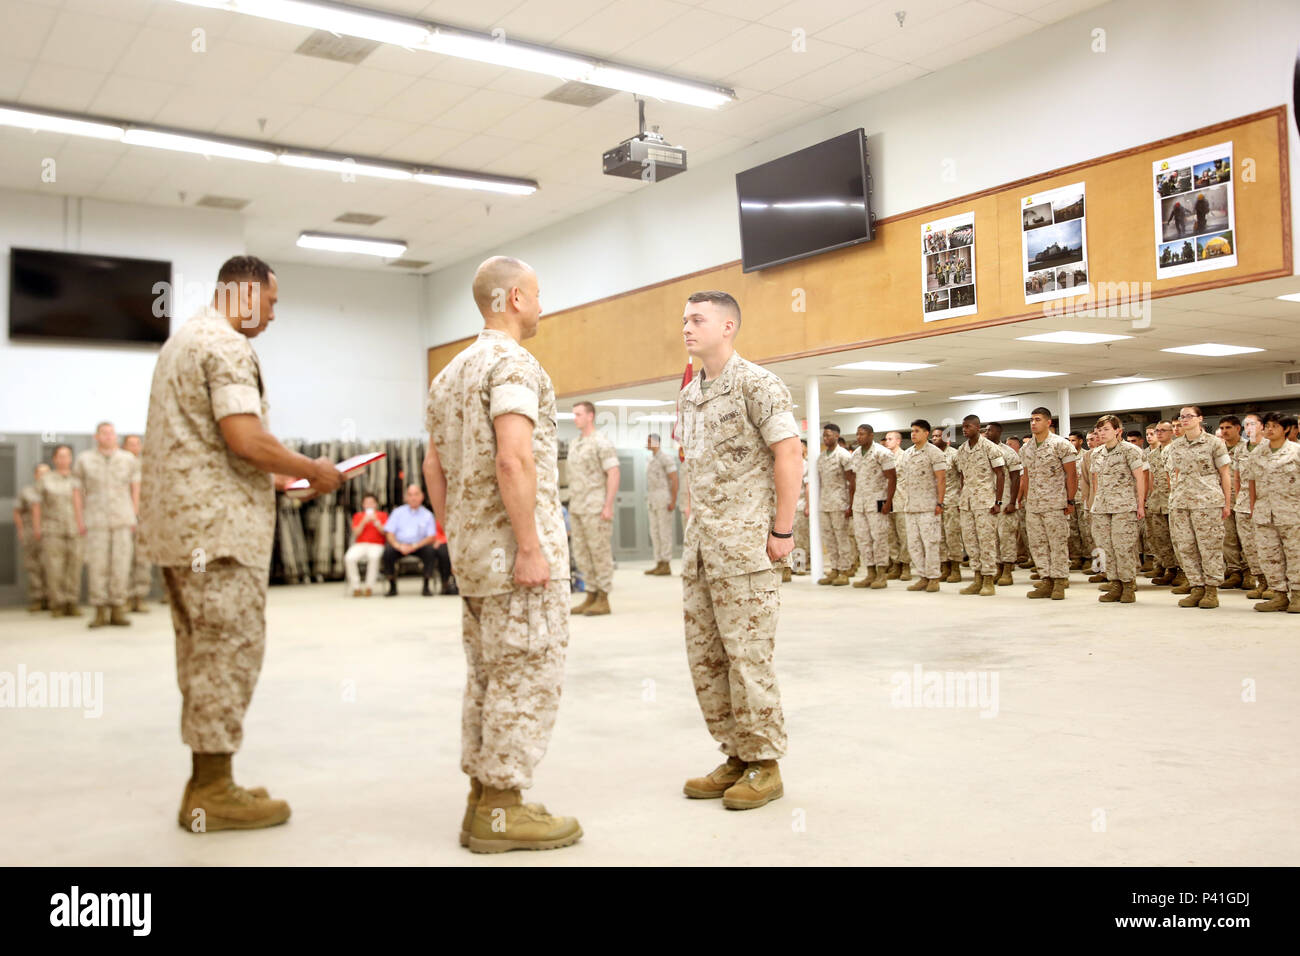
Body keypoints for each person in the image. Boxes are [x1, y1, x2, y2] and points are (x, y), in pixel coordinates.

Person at [140, 254, 341, 832]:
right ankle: (211, 791)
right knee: (227, 656)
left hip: (184, 531)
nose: (274, 315)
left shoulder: (183, 341)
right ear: (246, 293)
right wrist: (311, 467)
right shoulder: (227, 345)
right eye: (272, 302)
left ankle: (209, 778)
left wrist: (279, 477)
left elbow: (211, 442)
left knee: (202, 656)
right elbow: (244, 436)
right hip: (219, 536)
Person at [424, 254, 580, 852]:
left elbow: (433, 466)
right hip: (515, 557)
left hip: (472, 556)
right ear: (514, 298)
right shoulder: (513, 364)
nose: (542, 304)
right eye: (537, 294)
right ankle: (504, 807)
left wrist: (455, 534)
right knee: (526, 673)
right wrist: (531, 546)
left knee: (488, 675)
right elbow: (513, 457)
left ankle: (481, 799)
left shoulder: (449, 373)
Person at [677, 290, 799, 812]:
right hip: (703, 550)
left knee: (748, 659)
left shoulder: (758, 383)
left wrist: (783, 530)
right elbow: (696, 468)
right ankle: (735, 754)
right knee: (708, 659)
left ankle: (765, 764)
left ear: (728, 327)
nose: (686, 327)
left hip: (747, 549)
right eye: (684, 319)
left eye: (697, 319)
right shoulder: (690, 395)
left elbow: (789, 454)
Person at [1166, 405, 1232, 609]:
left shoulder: (1214, 443)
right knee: (1186, 547)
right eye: (1181, 417)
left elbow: (1225, 474)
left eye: (1189, 416)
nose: (1184, 420)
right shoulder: (1176, 446)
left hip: (1207, 503)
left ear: (1200, 419)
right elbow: (1175, 474)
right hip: (1181, 502)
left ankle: (1211, 590)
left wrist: (1227, 503)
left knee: (1209, 547)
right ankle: (1196, 587)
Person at [74, 422, 140, 628]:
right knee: (97, 565)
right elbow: (77, 491)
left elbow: (135, 487)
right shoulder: (84, 460)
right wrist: (79, 519)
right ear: (96, 436)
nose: (108, 436)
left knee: (121, 565)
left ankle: (118, 608)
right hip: (96, 519)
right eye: (104, 433)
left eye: (112, 433)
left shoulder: (128, 459)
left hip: (122, 518)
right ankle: (100, 609)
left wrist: (134, 514)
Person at [1018, 407, 1078, 600]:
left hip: (1055, 503)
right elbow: (1025, 477)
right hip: (1034, 505)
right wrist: (1026, 500)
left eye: (1037, 419)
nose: (1033, 423)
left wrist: (1070, 499)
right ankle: (1046, 580)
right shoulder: (1026, 448)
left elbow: (1071, 475)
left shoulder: (1061, 445)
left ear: (1048, 422)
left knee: (1057, 543)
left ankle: (1060, 581)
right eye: (1031, 420)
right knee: (1037, 544)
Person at [568, 400, 620, 616]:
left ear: (590, 416)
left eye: (578, 414)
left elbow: (614, 473)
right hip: (578, 506)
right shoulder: (575, 443)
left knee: (599, 553)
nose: (575, 418)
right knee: (581, 553)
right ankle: (590, 593)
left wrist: (608, 505)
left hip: (596, 507)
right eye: (574, 414)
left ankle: (603, 597)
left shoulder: (601, 442)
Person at [1088, 415, 1145, 604]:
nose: (1101, 434)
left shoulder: (1130, 451)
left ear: (1117, 431)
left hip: (1124, 506)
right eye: (1099, 431)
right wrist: (1094, 504)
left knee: (1123, 548)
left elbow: (1140, 478)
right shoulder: (1097, 453)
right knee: (1106, 548)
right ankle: (1115, 584)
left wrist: (1140, 505)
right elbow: (1097, 481)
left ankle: (1128, 585)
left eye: (1105, 429)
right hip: (1102, 507)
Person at [1247, 411, 1300, 612]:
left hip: (1292, 513)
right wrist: (1253, 509)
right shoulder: (1258, 453)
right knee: (1269, 555)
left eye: (1275, 426)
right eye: (1267, 425)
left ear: (1286, 429)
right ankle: (1278, 594)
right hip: (1264, 513)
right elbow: (1251, 482)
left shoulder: (1295, 452)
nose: (1270, 429)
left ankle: (1297, 594)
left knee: (1296, 555)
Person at [954, 415, 1005, 597]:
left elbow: (1000, 474)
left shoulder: (990, 448)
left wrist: (998, 501)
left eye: (968, 426)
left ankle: (989, 579)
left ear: (977, 427)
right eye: (963, 427)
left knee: (986, 541)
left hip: (985, 501)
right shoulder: (961, 449)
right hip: (967, 502)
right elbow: (962, 475)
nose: (964, 430)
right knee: (970, 541)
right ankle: (977, 579)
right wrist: (961, 496)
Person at [896, 419, 947, 593]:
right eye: (912, 431)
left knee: (931, 543)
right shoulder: (908, 453)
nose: (913, 434)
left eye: (917, 431)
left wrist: (940, 502)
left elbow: (941, 479)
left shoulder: (934, 453)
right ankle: (922, 576)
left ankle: (933, 578)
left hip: (928, 506)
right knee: (914, 544)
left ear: (926, 433)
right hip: (911, 507)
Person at [33, 445, 84, 618]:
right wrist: (37, 527)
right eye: (60, 456)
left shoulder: (77, 480)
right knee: (55, 568)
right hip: (52, 530)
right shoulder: (46, 479)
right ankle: (57, 604)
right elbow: (37, 504)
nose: (64, 459)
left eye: (67, 456)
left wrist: (81, 525)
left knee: (74, 567)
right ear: (54, 459)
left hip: (74, 529)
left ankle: (72, 602)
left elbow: (81, 504)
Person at [848, 424, 896, 588]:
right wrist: (851, 502)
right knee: (862, 538)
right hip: (860, 503)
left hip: (878, 501)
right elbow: (853, 481)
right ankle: (870, 573)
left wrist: (889, 502)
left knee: (879, 538)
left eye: (862, 434)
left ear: (871, 435)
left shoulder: (882, 453)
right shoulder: (855, 454)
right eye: (857, 434)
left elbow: (892, 478)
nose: (858, 437)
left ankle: (881, 574)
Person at [381, 484, 449, 597]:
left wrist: (415, 546)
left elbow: (431, 536)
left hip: (419, 545)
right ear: (406, 497)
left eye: (416, 494)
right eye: (410, 495)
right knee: (388, 551)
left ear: (422, 496)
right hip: (400, 545)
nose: (413, 498)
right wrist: (398, 546)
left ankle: (426, 585)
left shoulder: (427, 515)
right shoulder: (397, 512)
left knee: (430, 551)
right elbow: (389, 533)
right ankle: (392, 585)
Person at [984, 422, 1022, 586]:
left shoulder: (1008, 452)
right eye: (985, 430)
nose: (987, 432)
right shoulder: (982, 451)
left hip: (1006, 499)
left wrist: (1013, 501)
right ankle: (997, 568)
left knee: (1006, 535)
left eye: (990, 430)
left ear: (999, 432)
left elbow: (1016, 478)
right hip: (987, 500)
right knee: (992, 538)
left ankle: (1007, 570)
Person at [816, 423, 854, 585]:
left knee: (841, 537)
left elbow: (852, 481)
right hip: (825, 503)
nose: (825, 438)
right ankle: (835, 569)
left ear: (837, 436)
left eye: (829, 435)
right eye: (824, 436)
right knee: (829, 538)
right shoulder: (822, 457)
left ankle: (845, 570)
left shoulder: (843, 455)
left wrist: (850, 505)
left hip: (840, 503)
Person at [121, 433, 153, 612]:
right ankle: (124, 597)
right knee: (124, 558)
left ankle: (139, 596)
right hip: (123, 516)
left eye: (137, 444)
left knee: (143, 559)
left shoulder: (148, 464)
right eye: (130, 444)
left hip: (145, 517)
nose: (134, 447)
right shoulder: (120, 464)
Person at [1145, 421, 1179, 584]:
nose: (1159, 433)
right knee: (1161, 538)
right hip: (1157, 501)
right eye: (1157, 431)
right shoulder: (1152, 455)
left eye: (1163, 430)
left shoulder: (1177, 450)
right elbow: (1151, 479)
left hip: (1173, 500)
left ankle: (1183, 571)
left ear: (1172, 431)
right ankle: (1170, 568)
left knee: (1178, 538)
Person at [1236, 413, 1265, 596]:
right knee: (1249, 546)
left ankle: (1275, 584)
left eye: (1253, 424)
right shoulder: (1241, 449)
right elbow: (1237, 477)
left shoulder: (1269, 447)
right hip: (1243, 504)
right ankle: (1260, 581)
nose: (1249, 428)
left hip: (1265, 503)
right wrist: (1240, 498)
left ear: (1262, 426)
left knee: (1267, 546)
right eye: (1246, 425)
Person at [14, 463, 50, 612]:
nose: (43, 476)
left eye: (46, 473)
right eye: (40, 473)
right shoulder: (27, 491)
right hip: (31, 533)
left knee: (51, 566)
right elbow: (17, 511)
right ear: (35, 475)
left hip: (51, 532)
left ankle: (51, 598)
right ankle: (37, 598)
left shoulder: (54, 491)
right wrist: (21, 530)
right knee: (33, 566)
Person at [1217, 415, 1247, 588]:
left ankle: (1249, 572)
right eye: (1222, 428)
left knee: (1246, 538)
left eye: (1228, 427)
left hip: (1244, 500)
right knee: (1228, 538)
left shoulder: (1247, 448)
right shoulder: (1218, 449)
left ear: (1238, 428)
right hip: (1224, 499)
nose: (1224, 431)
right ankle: (1234, 571)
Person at [643, 433, 679, 576]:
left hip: (664, 497)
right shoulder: (650, 459)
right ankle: (658, 562)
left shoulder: (666, 458)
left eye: (649, 441)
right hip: (652, 499)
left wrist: (673, 500)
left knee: (664, 532)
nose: (647, 443)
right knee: (655, 532)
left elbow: (674, 480)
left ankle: (666, 563)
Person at [932, 429, 963, 583]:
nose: (935, 438)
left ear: (947, 438)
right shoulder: (930, 454)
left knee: (952, 535)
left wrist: (962, 499)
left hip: (952, 499)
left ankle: (956, 568)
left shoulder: (955, 454)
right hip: (935, 501)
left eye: (938, 436)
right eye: (933, 436)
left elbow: (963, 476)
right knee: (939, 536)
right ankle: (944, 567)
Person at [344, 493, 388, 596]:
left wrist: (376, 522)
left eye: (371, 503)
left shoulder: (382, 515)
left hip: (377, 544)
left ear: (376, 504)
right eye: (366, 503)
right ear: (363, 505)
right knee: (349, 557)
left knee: (374, 557)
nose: (369, 505)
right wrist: (364, 521)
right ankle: (356, 587)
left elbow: (385, 533)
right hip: (360, 544)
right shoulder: (358, 516)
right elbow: (356, 533)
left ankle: (369, 587)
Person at [883, 429, 912, 580]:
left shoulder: (905, 456)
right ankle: (895, 563)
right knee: (889, 535)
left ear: (898, 441)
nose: (887, 441)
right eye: (886, 439)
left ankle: (906, 565)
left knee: (904, 535)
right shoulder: (882, 457)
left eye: (890, 439)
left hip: (901, 500)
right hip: (885, 500)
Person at [792, 439, 811, 575]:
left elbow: (808, 487)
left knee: (801, 538)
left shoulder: (805, 465)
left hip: (800, 505)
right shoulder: (788, 464)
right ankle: (792, 565)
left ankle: (801, 565)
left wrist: (808, 506)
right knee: (792, 538)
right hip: (790, 507)